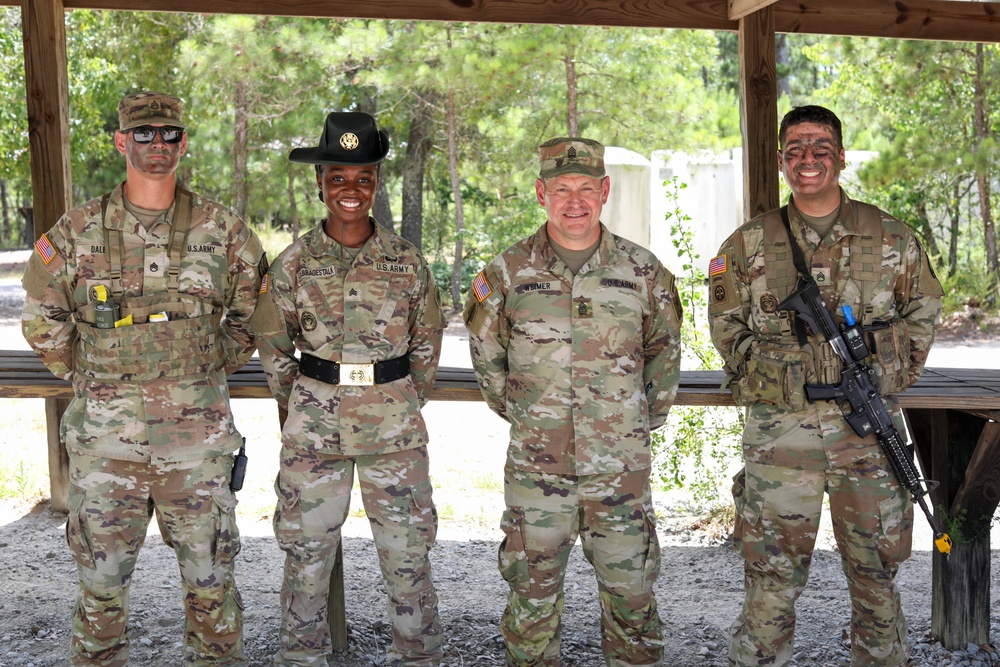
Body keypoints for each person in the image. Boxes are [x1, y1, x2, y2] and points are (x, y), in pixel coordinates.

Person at [21, 91, 266, 666]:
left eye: (170, 134)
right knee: (101, 589)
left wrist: (198, 370)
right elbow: (42, 315)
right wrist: (96, 376)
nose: (159, 144)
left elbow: (251, 314)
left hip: (196, 444)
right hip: (106, 444)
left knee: (211, 585)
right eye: (146, 133)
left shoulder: (223, 230)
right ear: (121, 141)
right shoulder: (77, 230)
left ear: (184, 142)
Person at [708, 105, 944, 667]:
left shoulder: (891, 236)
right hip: (780, 434)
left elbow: (924, 313)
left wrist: (881, 368)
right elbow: (725, 328)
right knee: (771, 577)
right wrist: (787, 369)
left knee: (875, 574)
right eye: (795, 148)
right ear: (783, 159)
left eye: (820, 147)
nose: (807, 158)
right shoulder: (747, 244)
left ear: (840, 155)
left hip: (865, 435)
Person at [464, 137, 683, 667]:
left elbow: (664, 357)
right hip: (538, 471)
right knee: (532, 601)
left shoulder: (644, 271)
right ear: (541, 193)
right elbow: (488, 360)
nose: (575, 201)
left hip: (620, 471)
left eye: (587, 188)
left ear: (605, 191)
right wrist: (532, 417)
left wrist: (626, 425)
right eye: (561, 189)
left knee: (632, 597)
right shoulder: (507, 272)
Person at [251, 111, 447, 667]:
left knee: (407, 556)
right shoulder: (292, 265)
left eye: (362, 178)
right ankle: (302, 657)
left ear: (377, 184)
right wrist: (308, 399)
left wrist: (400, 397)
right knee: (306, 556)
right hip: (314, 432)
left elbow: (427, 345)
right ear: (320, 184)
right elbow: (272, 343)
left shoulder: (407, 262)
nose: (350, 190)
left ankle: (418, 657)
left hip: (394, 430)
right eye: (338, 178)